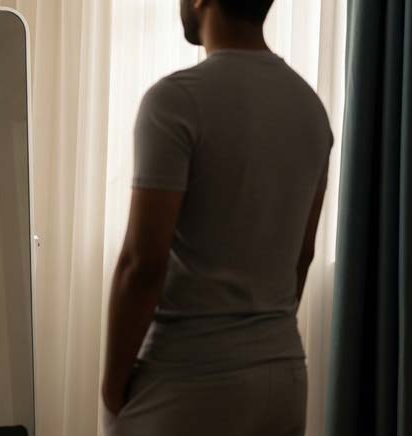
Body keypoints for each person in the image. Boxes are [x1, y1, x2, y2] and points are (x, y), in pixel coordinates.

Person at [102, 0, 333, 434]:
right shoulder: (311, 109)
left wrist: (112, 388)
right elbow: (302, 255)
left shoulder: (175, 99)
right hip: (283, 377)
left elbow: (142, 264)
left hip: (190, 377)